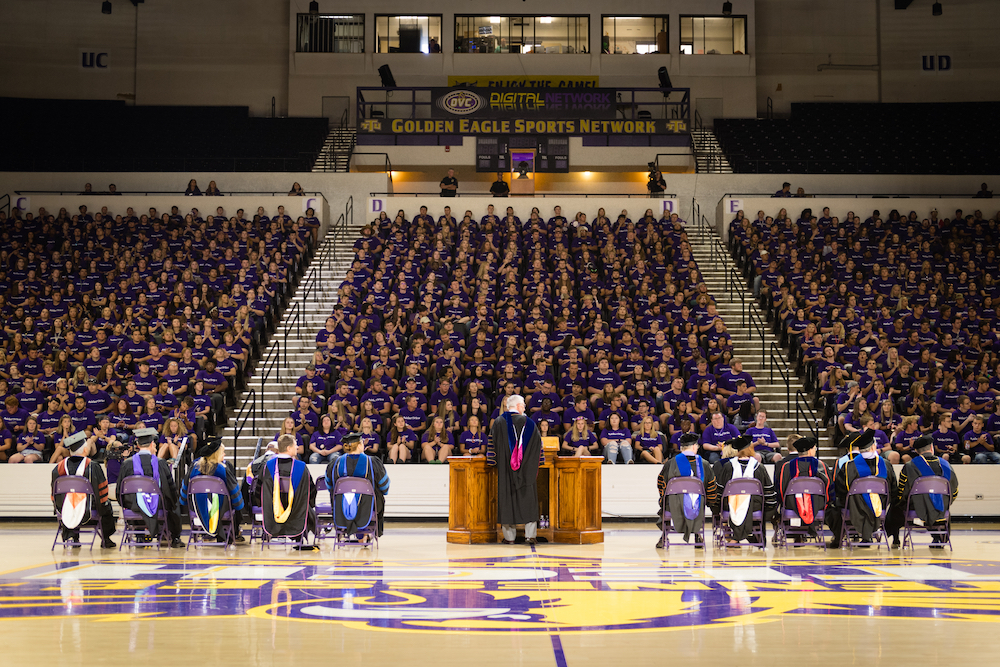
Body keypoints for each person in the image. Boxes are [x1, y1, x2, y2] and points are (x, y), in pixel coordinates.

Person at [488, 394, 544, 544]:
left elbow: (491, 447)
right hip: (527, 472)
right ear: (518, 406)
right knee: (528, 502)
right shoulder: (530, 424)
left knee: (507, 501)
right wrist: (531, 466)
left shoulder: (498, 423)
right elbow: (539, 449)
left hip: (506, 471)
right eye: (524, 405)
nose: (525, 407)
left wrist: (493, 462)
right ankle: (530, 536)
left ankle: (510, 538)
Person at [116, 427, 184, 548]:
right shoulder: (161, 463)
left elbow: (119, 492)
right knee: (173, 502)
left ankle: (140, 536)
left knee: (133, 498)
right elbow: (170, 490)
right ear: (152, 444)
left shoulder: (127, 463)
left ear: (137, 445)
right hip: (158, 505)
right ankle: (173, 537)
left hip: (134, 505)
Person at [51, 431, 116, 548]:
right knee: (107, 505)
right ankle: (106, 539)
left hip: (65, 509)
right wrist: (101, 506)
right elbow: (102, 492)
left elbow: (53, 493)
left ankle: (74, 537)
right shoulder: (93, 466)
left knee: (70, 502)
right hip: (89, 509)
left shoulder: (59, 467)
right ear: (85, 450)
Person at [833, 430, 898, 545]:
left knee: (836, 505)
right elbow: (893, 491)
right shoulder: (886, 465)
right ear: (873, 447)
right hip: (880, 508)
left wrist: (853, 502)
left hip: (855, 509)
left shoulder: (848, 466)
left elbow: (840, 491)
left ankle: (839, 537)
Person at [893, 435, 959, 548]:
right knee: (934, 503)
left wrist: (901, 503)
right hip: (942, 508)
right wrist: (945, 502)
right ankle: (938, 537)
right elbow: (954, 490)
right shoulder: (946, 465)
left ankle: (895, 539)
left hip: (917, 508)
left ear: (917, 451)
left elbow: (902, 492)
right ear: (932, 448)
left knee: (896, 506)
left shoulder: (910, 466)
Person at [656, 432, 719, 547]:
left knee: (666, 502)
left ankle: (664, 535)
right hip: (697, 507)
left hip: (673, 506)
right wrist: (710, 502)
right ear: (695, 446)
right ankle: (697, 534)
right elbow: (711, 487)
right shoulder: (704, 464)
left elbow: (661, 483)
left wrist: (665, 499)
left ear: (681, 448)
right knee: (699, 500)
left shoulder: (670, 463)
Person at [714, 435, 778, 543]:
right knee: (757, 502)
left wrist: (717, 508)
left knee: (736, 502)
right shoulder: (759, 467)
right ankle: (750, 534)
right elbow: (769, 493)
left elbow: (719, 491)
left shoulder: (728, 466)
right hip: (754, 506)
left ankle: (735, 537)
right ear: (750, 448)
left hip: (730, 505)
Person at [327, 432, 390, 539]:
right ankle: (365, 533)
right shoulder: (372, 462)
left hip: (341, 505)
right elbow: (384, 487)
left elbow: (329, 486)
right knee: (378, 496)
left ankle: (342, 530)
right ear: (360, 445)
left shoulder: (335, 463)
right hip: (368, 506)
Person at [774, 435, 836, 545]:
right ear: (810, 450)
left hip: (792, 505)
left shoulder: (786, 467)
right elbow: (828, 489)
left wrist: (785, 503)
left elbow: (782, 491)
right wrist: (826, 502)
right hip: (817, 505)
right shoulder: (822, 466)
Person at [180, 440, 245, 543]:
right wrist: (239, 506)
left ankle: (209, 533)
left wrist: (184, 502)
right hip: (220, 508)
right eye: (222, 452)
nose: (224, 454)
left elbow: (184, 488)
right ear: (217, 455)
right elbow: (234, 490)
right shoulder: (223, 469)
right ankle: (230, 535)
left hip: (197, 507)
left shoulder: (194, 468)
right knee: (235, 506)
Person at [261, 433, 317, 549]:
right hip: (297, 512)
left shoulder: (268, 466)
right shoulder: (301, 466)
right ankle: (299, 536)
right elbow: (311, 491)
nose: (297, 447)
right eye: (295, 445)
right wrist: (309, 504)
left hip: (272, 512)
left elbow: (260, 491)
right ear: (288, 448)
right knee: (309, 509)